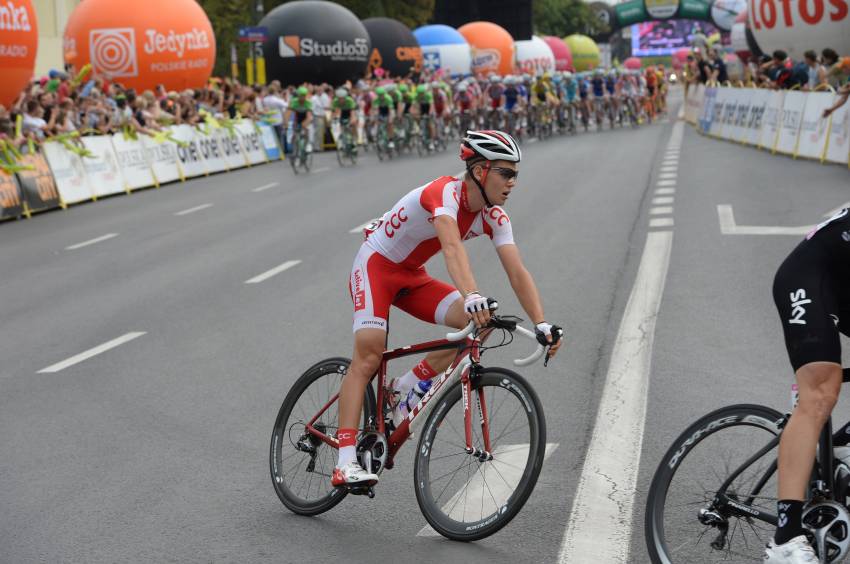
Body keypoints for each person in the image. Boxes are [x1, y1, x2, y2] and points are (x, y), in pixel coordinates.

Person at [332, 130, 564, 487]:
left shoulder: (495, 216)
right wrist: (470, 292)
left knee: (481, 324)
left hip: (411, 276)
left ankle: (404, 388)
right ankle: (345, 461)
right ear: (481, 171)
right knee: (368, 356)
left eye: (516, 173)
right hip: (375, 266)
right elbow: (452, 245)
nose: (513, 182)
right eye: (506, 173)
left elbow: (517, 270)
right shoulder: (444, 194)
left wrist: (541, 322)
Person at [764, 208, 850, 563]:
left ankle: (838, 450)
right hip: (808, 277)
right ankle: (785, 540)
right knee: (820, 391)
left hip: (844, 287)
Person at [283, 86, 314, 153]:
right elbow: (287, 113)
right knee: (295, 128)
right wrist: (286, 123)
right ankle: (295, 142)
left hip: (306, 116)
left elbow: (309, 116)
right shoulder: (294, 102)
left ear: (305, 96)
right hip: (298, 115)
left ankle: (307, 143)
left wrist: (304, 124)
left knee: (305, 127)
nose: (302, 98)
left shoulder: (308, 102)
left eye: (303, 96)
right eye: (300, 96)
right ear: (298, 96)